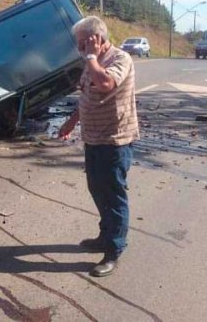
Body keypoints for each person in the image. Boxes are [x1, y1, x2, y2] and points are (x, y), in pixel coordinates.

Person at [58, 16, 139, 278]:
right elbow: (86, 94)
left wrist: (91, 57)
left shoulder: (120, 59)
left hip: (115, 141)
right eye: (80, 44)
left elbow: (104, 85)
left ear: (98, 39)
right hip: (93, 139)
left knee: (113, 196)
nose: (81, 48)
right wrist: (71, 122)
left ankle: (114, 251)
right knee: (97, 190)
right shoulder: (90, 61)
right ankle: (105, 236)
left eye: (85, 43)